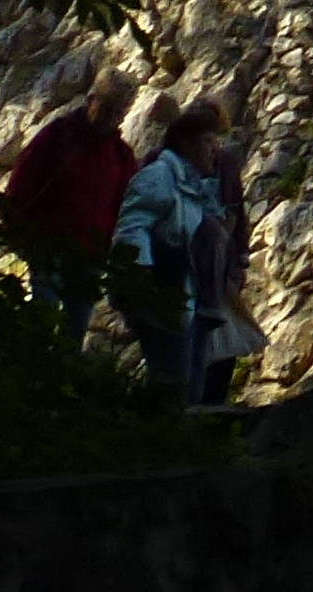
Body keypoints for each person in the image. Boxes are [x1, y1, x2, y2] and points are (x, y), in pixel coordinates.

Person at [0, 68, 138, 349]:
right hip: (49, 247)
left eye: (119, 113)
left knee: (75, 332)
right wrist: (21, 231)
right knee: (43, 320)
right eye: (106, 109)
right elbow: (22, 183)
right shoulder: (58, 135)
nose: (111, 119)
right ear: (90, 99)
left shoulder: (121, 155)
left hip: (89, 258)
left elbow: (125, 206)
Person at [111, 96, 225, 403]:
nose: (214, 149)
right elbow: (132, 226)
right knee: (172, 391)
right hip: (167, 299)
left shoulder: (197, 185)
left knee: (190, 393)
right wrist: (142, 278)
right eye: (207, 141)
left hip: (194, 302)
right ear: (185, 145)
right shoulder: (159, 176)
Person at [187, 100, 257, 402]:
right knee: (194, 338)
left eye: (214, 135)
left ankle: (214, 402)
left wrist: (241, 258)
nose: (211, 143)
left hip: (222, 268)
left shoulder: (226, 163)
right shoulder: (168, 164)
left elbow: (237, 211)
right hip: (188, 266)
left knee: (227, 336)